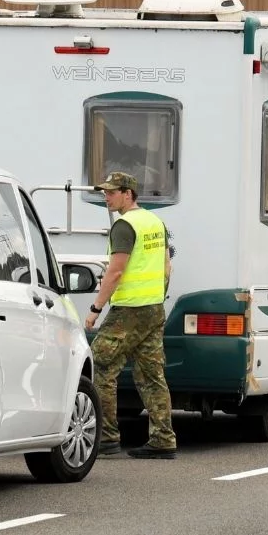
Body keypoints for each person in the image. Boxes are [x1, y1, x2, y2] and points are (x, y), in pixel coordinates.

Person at [87, 171, 177, 460]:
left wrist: (95, 309)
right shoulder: (155, 222)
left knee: (100, 364)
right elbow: (166, 267)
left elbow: (115, 271)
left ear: (129, 194)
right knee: (151, 374)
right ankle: (163, 439)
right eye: (105, 192)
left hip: (129, 310)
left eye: (112, 192)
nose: (107, 197)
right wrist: (157, 297)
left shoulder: (124, 225)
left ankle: (107, 438)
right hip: (153, 308)